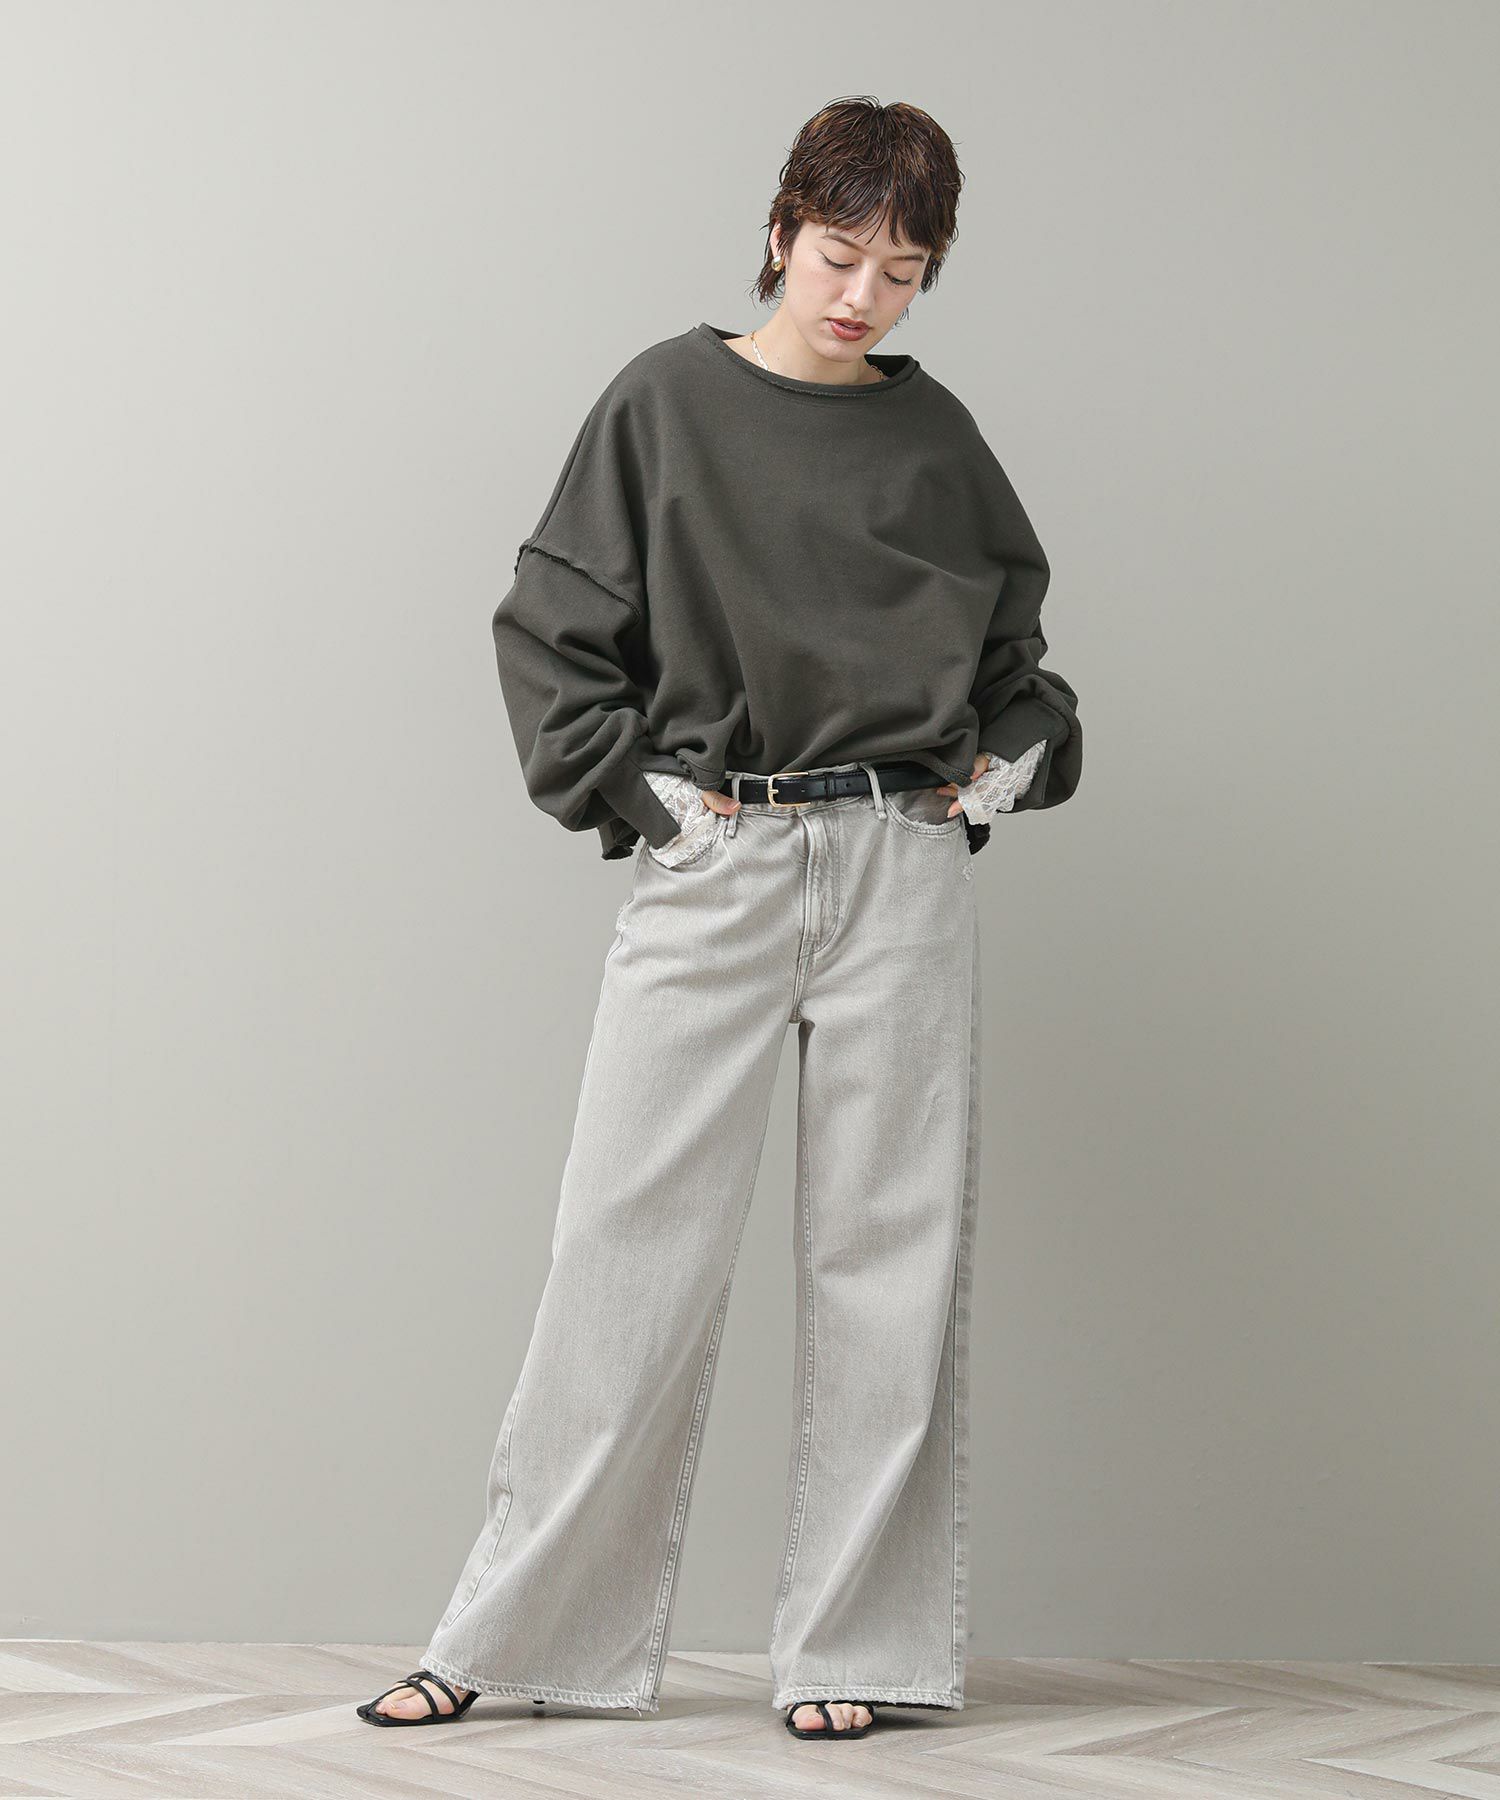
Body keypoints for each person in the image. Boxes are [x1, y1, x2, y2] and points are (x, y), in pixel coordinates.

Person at [357, 94, 1082, 1744]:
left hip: (899, 865)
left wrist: (994, 771)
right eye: (838, 254)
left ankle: (857, 1649)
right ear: (777, 230)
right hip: (720, 857)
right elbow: (551, 629)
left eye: (902, 270)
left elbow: (1021, 671)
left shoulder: (938, 439)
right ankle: (515, 1635)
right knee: (624, 1249)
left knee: (893, 1262)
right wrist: (650, 803)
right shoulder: (664, 402)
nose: (862, 294)